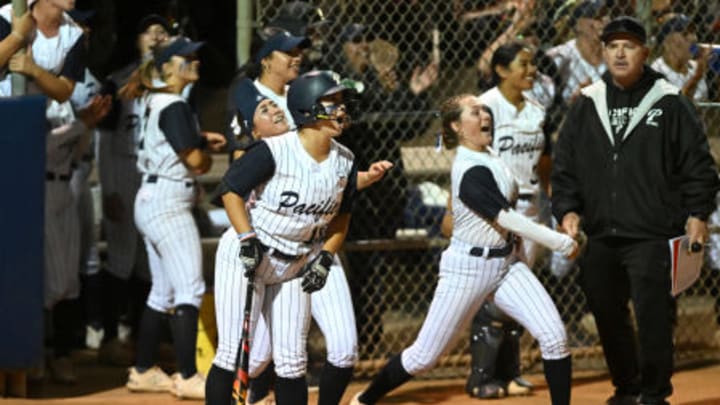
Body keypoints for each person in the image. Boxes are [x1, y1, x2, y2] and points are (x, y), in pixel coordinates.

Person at [351, 94, 578, 405]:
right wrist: (559, 241)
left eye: (485, 109)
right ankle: (365, 398)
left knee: (554, 337)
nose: (484, 114)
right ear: (457, 126)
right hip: (467, 269)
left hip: (506, 265)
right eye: (474, 112)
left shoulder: (490, 153)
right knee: (423, 357)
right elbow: (507, 218)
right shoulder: (469, 167)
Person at [551, 16, 720, 405]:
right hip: (598, 232)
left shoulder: (670, 101)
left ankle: (655, 393)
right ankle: (627, 388)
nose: (620, 52)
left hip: (651, 230)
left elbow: (699, 165)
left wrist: (698, 213)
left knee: (654, 316)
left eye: (628, 45)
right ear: (604, 52)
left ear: (645, 52)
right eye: (612, 46)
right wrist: (568, 210)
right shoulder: (587, 102)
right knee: (607, 315)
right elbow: (564, 168)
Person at [208, 77, 391, 405]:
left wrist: (325, 257)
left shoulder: (345, 160)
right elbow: (230, 190)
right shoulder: (275, 150)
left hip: (295, 264)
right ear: (308, 109)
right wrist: (246, 237)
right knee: (232, 351)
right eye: (332, 102)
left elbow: (341, 216)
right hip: (249, 254)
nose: (342, 109)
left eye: (341, 101)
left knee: (292, 361)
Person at [120, 36, 226, 400]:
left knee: (162, 290)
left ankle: (143, 369)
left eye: (196, 56)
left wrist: (197, 139)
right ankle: (187, 375)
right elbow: (196, 163)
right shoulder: (174, 104)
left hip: (152, 197)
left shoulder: (155, 99)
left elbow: (179, 142)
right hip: (167, 200)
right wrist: (202, 153)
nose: (195, 61)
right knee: (190, 288)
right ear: (167, 67)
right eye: (186, 57)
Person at [0, 0, 97, 383]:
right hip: (10, 137)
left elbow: (63, 92)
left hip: (50, 152)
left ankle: (39, 354)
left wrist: (33, 69)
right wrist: (18, 39)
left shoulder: (73, 34)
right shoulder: (8, 16)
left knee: (57, 276)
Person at [459, 41, 552, 399]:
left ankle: (510, 374)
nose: (531, 71)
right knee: (492, 296)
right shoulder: (484, 107)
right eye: (522, 64)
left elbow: (544, 160)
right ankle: (481, 377)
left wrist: (551, 200)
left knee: (518, 293)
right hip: (493, 212)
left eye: (532, 64)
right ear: (501, 70)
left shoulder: (537, 110)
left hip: (529, 208)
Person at [94, 14, 172, 351]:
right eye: (148, 32)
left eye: (161, 32)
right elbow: (104, 142)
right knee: (122, 256)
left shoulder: (175, 81)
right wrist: (109, 189)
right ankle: (110, 336)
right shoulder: (118, 82)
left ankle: (141, 336)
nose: (155, 38)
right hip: (125, 171)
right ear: (137, 39)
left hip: (158, 173)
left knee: (148, 258)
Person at [546, 0, 607, 105]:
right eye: (596, 17)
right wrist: (573, 103)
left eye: (605, 14)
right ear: (578, 25)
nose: (604, 20)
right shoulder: (560, 56)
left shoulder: (615, 55)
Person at [651, 13, 709, 101]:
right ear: (667, 42)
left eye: (693, 32)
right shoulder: (657, 71)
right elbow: (677, 107)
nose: (694, 38)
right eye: (685, 34)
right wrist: (696, 78)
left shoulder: (696, 66)